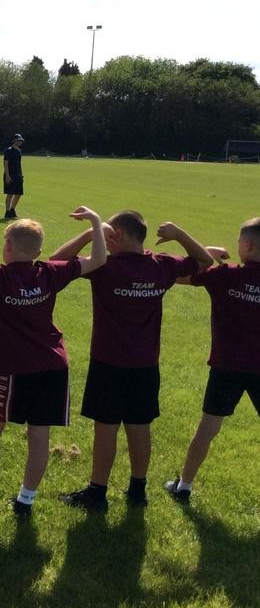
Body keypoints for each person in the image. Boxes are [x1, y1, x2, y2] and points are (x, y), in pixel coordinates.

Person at [0, 209, 107, 519]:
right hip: (54, 365)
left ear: (7, 247)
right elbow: (98, 260)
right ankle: (24, 503)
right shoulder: (48, 272)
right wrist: (96, 223)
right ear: (39, 251)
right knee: (38, 435)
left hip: (15, 369)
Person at [50, 212, 212, 511]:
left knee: (106, 426)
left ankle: (97, 493)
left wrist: (90, 233)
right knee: (140, 426)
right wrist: (180, 233)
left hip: (108, 361)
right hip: (146, 364)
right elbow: (205, 262)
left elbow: (54, 262)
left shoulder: (105, 266)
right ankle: (138, 490)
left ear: (119, 234)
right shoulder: (162, 265)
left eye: (109, 235)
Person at [165, 217, 260, 504]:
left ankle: (184, 486)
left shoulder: (226, 275)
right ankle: (183, 484)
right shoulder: (226, 274)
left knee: (208, 427)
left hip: (227, 367)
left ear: (247, 245)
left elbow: (177, 275)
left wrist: (205, 255)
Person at [3, 134, 25, 220]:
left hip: (18, 175)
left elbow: (19, 164)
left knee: (19, 194)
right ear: (14, 141)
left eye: (21, 141)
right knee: (10, 194)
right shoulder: (8, 151)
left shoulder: (19, 151)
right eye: (18, 140)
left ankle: (12, 210)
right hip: (10, 175)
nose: (20, 142)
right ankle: (7, 212)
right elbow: (5, 163)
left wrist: (21, 174)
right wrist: (7, 176)